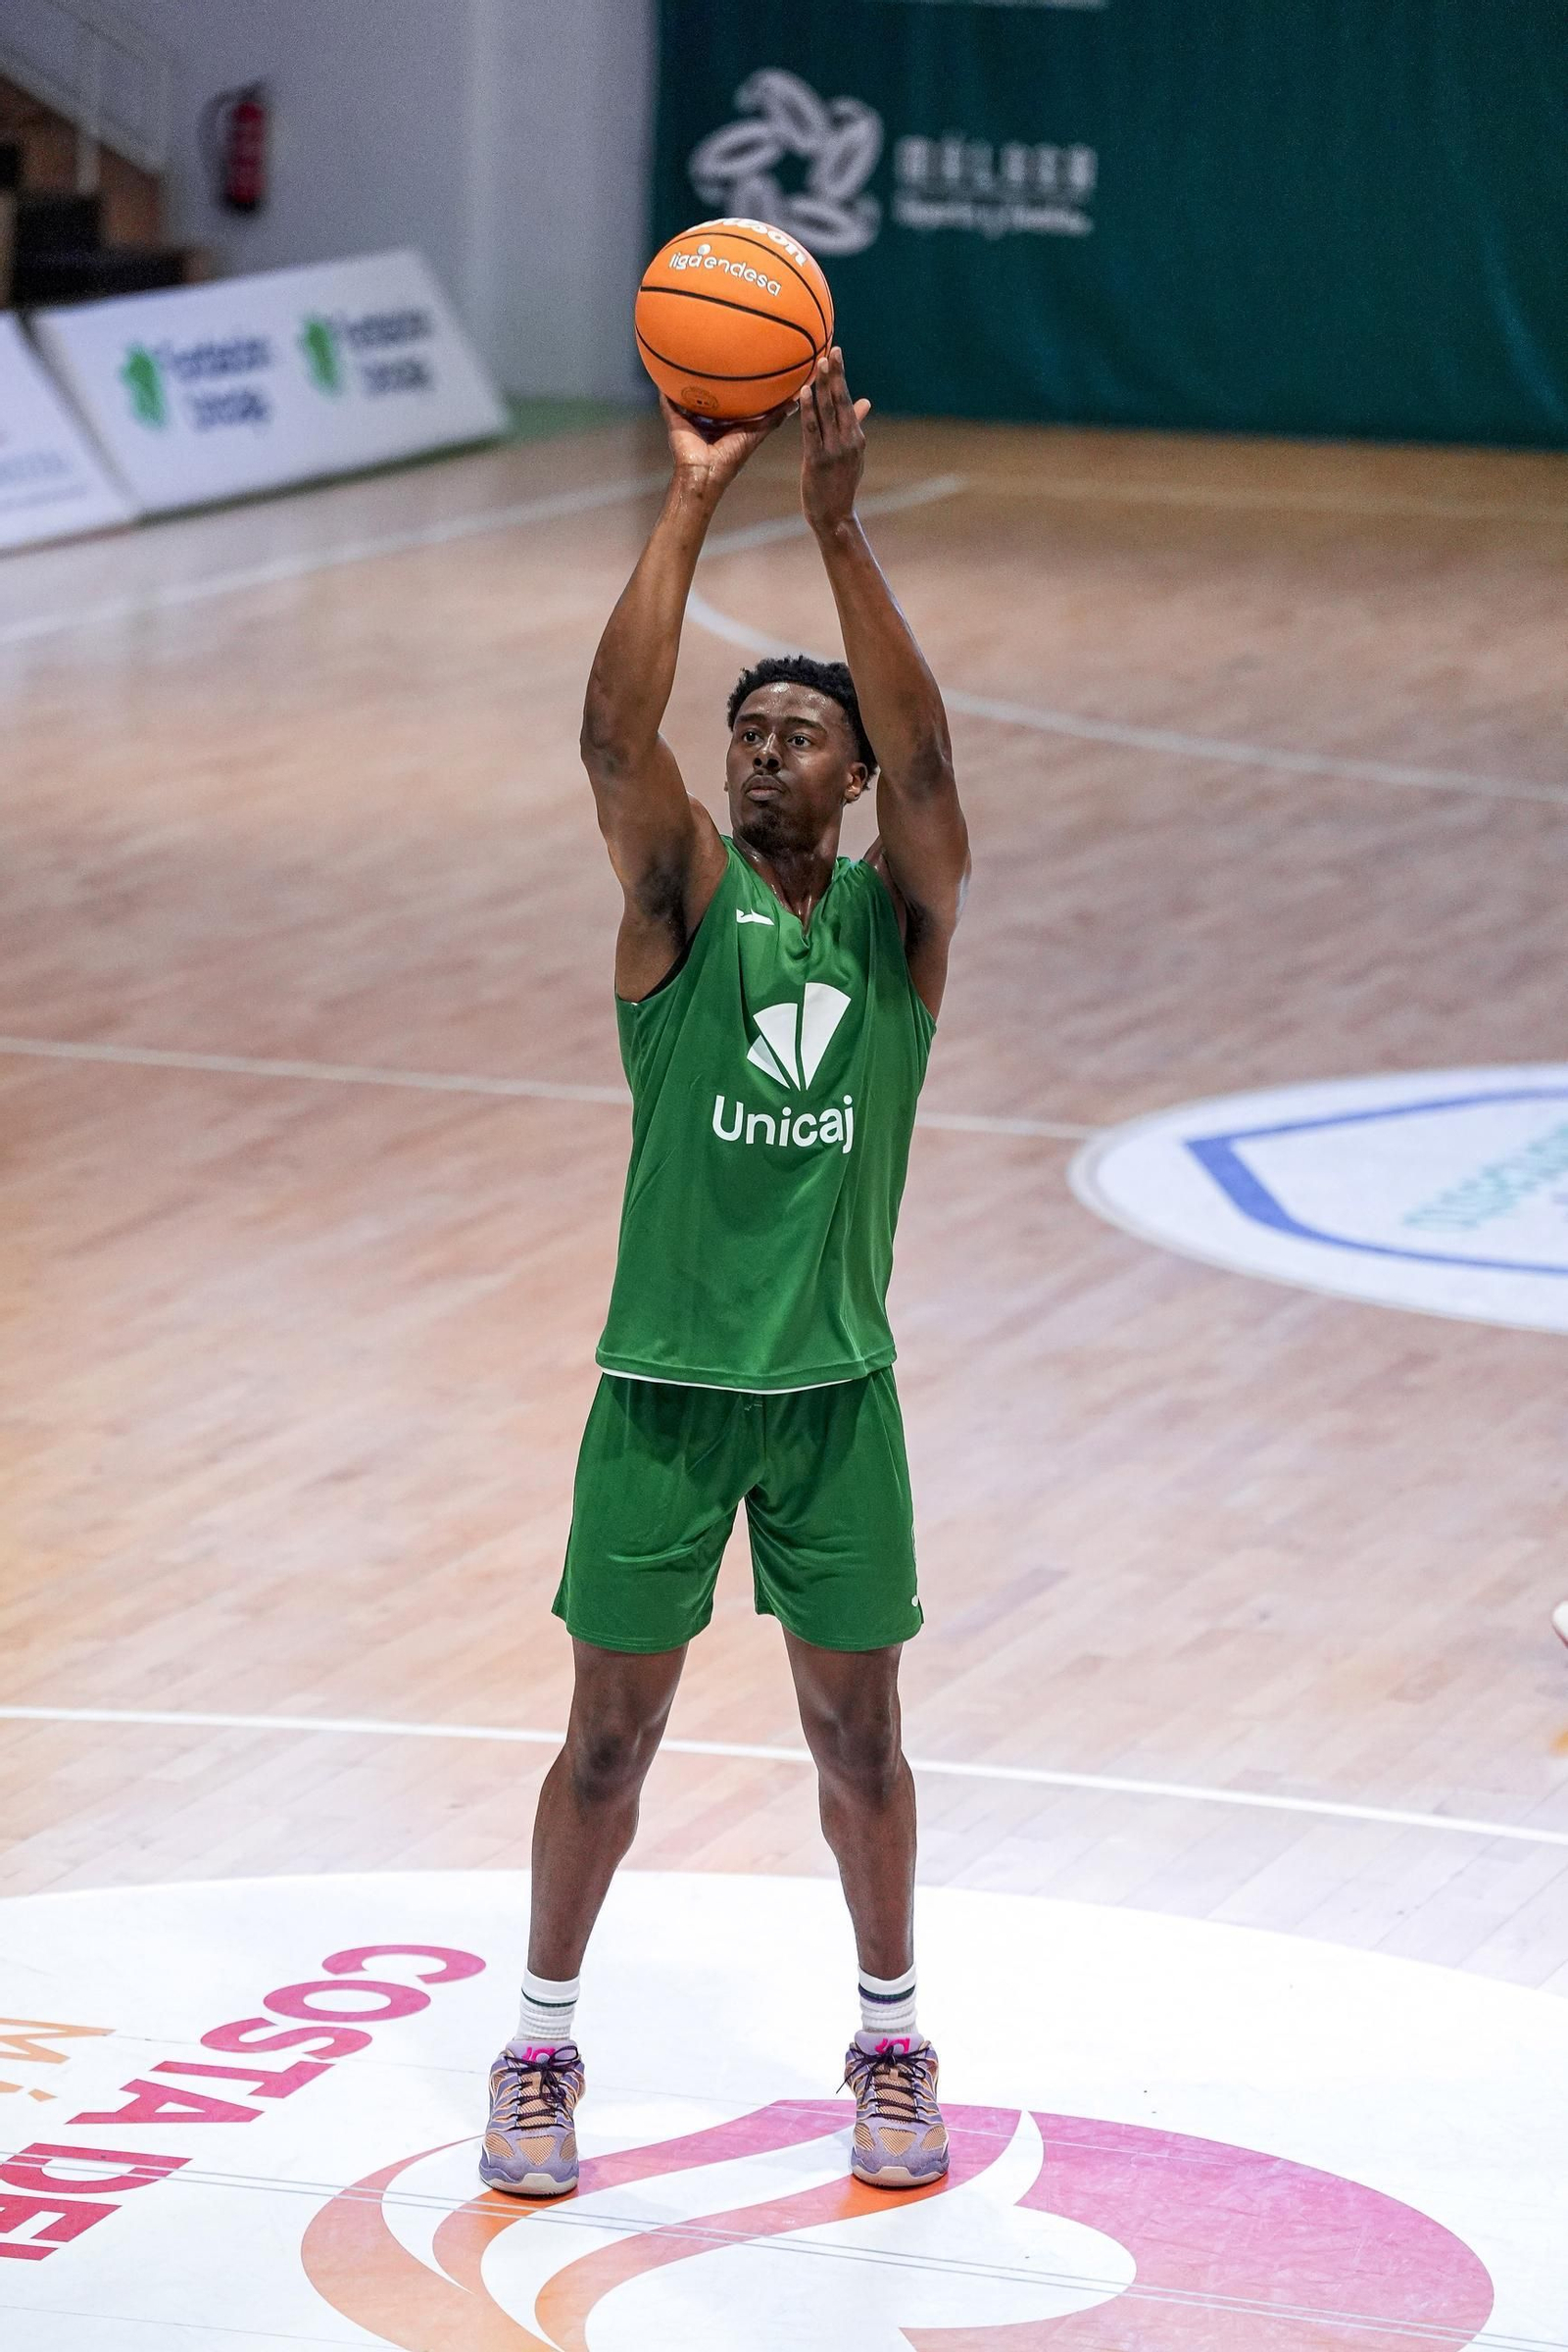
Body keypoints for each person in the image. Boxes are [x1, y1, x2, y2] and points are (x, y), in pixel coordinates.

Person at [480, 350, 970, 2199]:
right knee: (608, 1747)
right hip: (664, 1399)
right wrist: (692, 494)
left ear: (852, 780)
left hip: (837, 1402)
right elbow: (617, 745)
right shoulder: (680, 909)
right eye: (748, 725)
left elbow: (939, 763)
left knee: (862, 1741)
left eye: (799, 733)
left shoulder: (898, 925)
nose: (765, 745)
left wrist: (836, 528)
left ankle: (893, 2033)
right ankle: (540, 2046)